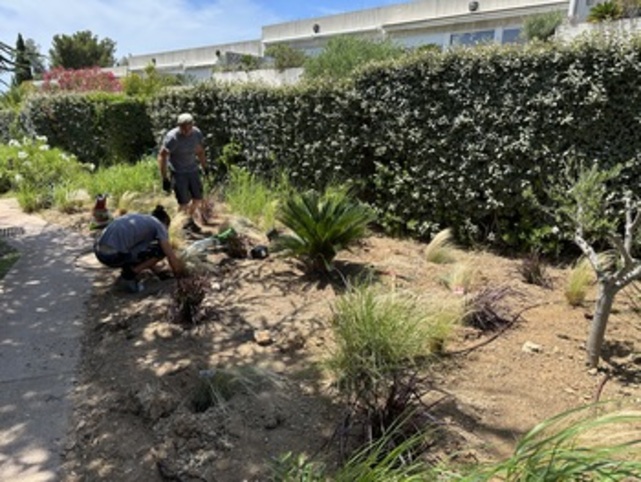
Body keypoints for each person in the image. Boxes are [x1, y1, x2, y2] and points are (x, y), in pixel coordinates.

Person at [93, 205, 184, 293]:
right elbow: (170, 255)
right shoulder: (159, 225)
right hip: (112, 256)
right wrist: (180, 274)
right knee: (160, 250)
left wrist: (159, 272)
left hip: (99, 251)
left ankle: (129, 268)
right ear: (165, 223)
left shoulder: (142, 219)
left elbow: (142, 251)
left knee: (146, 248)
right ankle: (129, 274)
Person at [158, 112, 208, 233]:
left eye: (188, 126)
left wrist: (205, 167)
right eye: (183, 127)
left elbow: (200, 151)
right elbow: (162, 156)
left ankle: (187, 220)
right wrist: (165, 178)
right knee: (183, 202)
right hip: (178, 172)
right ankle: (178, 228)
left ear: (192, 125)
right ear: (179, 126)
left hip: (193, 170)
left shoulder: (196, 134)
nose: (186, 130)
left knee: (198, 199)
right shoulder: (172, 138)